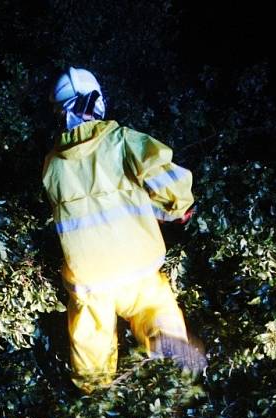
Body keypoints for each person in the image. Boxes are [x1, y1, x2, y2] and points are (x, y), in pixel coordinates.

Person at [42, 67, 206, 394]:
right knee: (153, 304)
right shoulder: (122, 141)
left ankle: (95, 394)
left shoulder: (52, 164)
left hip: (90, 274)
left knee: (92, 335)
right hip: (137, 260)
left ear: (60, 112)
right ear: (98, 102)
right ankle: (166, 340)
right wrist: (176, 208)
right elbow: (166, 179)